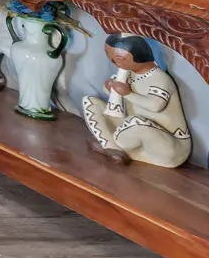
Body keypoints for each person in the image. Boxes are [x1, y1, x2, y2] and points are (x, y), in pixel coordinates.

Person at [81, 34, 193, 168]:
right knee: (91, 103)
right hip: (132, 127)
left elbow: (155, 105)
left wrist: (128, 94)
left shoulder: (159, 79)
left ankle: (114, 144)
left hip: (168, 144)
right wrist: (109, 86)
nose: (113, 62)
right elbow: (112, 92)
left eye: (119, 59)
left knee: (136, 123)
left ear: (139, 56)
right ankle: (113, 149)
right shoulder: (129, 73)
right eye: (109, 56)